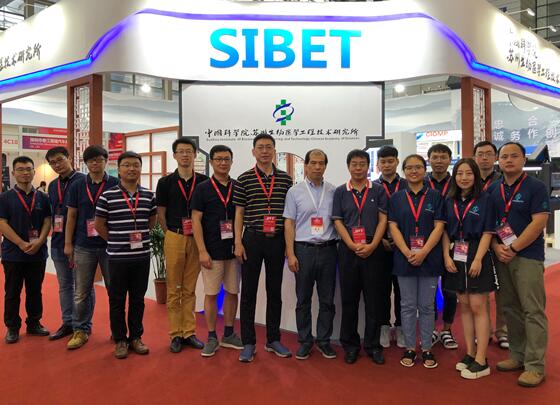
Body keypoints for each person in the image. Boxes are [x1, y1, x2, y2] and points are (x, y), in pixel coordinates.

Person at [490, 142, 549, 388]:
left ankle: (535, 365)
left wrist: (514, 248)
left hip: (527, 257)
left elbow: (539, 223)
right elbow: (489, 224)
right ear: (499, 161)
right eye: (504, 156)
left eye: (514, 156)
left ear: (524, 159)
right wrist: (497, 247)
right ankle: (517, 355)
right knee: (510, 307)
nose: (509, 160)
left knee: (532, 310)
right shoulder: (493, 189)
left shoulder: (536, 187)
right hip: (501, 255)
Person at [234, 133, 293, 362]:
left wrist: (289, 246)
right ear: (253, 151)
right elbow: (239, 213)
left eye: (269, 147)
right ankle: (248, 342)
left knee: (274, 291)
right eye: (261, 147)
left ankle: (273, 339)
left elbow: (289, 216)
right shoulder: (244, 179)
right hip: (252, 238)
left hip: (277, 240)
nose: (265, 151)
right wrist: (238, 242)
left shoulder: (285, 179)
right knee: (248, 292)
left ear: (274, 151)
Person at [95, 151, 157, 359]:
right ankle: (120, 339)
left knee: (138, 300)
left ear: (140, 168)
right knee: (117, 300)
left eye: (136, 165)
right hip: (117, 257)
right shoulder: (107, 195)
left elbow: (151, 222)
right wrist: (116, 241)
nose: (132, 169)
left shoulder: (149, 195)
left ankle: (136, 337)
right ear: (119, 169)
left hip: (141, 256)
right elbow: (99, 225)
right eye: (127, 165)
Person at [442, 158, 497, 379]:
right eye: (459, 173)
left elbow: (488, 232)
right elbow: (444, 231)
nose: (464, 178)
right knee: (464, 305)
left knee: (478, 305)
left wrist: (478, 259)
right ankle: (470, 353)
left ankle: (482, 360)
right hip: (456, 253)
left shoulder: (485, 199)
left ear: (475, 176)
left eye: (469, 173)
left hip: (476, 253)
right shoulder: (450, 200)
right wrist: (446, 256)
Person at [388, 154, 445, 369]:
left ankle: (427, 348)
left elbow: (439, 227)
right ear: (404, 171)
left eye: (418, 167)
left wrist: (423, 252)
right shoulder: (396, 198)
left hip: (429, 259)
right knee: (408, 305)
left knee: (427, 306)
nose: (414, 171)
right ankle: (410, 347)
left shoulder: (435, 196)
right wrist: (406, 251)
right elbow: (393, 227)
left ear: (424, 169)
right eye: (409, 167)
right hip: (404, 259)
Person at [332, 149, 387, 365]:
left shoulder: (378, 190)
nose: (358, 168)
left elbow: (383, 220)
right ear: (348, 166)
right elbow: (337, 221)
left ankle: (373, 346)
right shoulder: (340, 191)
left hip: (373, 249)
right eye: (354, 164)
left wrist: (372, 245)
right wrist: (351, 244)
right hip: (348, 250)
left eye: (362, 164)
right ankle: (350, 345)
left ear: (368, 166)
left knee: (374, 300)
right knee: (349, 300)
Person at [284, 149, 338, 360]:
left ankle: (324, 341)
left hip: (328, 250)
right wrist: (290, 253)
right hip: (303, 250)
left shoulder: (334, 191)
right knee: (303, 300)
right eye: (313, 163)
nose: (317, 167)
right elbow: (289, 223)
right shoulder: (294, 191)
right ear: (305, 166)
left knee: (327, 300)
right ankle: (305, 341)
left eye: (321, 163)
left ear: (325, 166)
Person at [156, 137, 208, 353]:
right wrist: (169, 232)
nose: (185, 155)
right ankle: (175, 334)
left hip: (197, 239)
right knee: (173, 288)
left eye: (189, 151)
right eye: (181, 151)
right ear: (175, 155)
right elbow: (161, 212)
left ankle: (189, 332)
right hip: (174, 236)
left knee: (189, 288)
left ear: (195, 155)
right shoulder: (165, 182)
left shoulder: (204, 181)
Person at [64, 145, 119, 349]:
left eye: (99, 159)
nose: (95, 163)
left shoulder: (115, 183)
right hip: (83, 245)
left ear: (106, 161)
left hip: (110, 245)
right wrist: (68, 243)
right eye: (91, 160)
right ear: (86, 163)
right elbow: (71, 215)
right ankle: (81, 330)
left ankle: (118, 330)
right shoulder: (78, 185)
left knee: (115, 290)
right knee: (81, 292)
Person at [191, 145, 243, 357]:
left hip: (233, 251)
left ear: (232, 161)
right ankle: (212, 336)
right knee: (211, 294)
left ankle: (228, 334)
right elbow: (196, 220)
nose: (223, 163)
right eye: (219, 159)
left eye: (226, 159)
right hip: (211, 251)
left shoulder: (238, 187)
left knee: (232, 292)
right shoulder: (202, 188)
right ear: (211, 162)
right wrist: (202, 250)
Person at [0, 156, 52, 343]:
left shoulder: (43, 197)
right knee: (12, 292)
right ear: (13, 173)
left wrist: (40, 241)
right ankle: (12, 327)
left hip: (37, 253)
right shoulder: (5, 198)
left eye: (28, 169)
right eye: (20, 169)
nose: (25, 173)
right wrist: (21, 243)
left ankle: (34, 323)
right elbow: (2, 223)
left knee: (35, 290)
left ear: (34, 172)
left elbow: (47, 220)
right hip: (13, 253)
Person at [45, 147, 86, 341]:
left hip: (81, 242)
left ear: (69, 158)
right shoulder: (53, 185)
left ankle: (83, 325)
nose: (57, 165)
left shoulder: (83, 181)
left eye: (60, 160)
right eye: (52, 163)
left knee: (83, 287)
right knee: (64, 285)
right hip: (58, 241)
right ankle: (68, 322)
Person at [473, 140, 508, 350]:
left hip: (501, 240)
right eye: (480, 154)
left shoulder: (503, 181)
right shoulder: (469, 180)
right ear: (474, 157)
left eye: (488, 154)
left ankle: (503, 331)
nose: (484, 158)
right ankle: (483, 331)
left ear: (495, 157)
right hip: (475, 242)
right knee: (481, 290)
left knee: (503, 288)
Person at [373, 145, 407, 349]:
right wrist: (381, 239)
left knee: (402, 289)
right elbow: (370, 217)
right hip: (381, 245)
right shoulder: (372, 187)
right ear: (378, 164)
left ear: (397, 162)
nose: (387, 165)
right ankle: (384, 325)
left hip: (403, 246)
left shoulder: (407, 184)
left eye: (390, 161)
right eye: (383, 161)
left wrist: (401, 240)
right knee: (382, 289)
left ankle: (401, 326)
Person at [426, 143, 458, 350]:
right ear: (429, 160)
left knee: (450, 290)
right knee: (428, 291)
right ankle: (429, 330)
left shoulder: (458, 183)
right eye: (435, 157)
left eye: (443, 157)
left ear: (449, 159)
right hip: (426, 244)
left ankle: (447, 329)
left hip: (453, 243)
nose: (439, 161)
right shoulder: (420, 182)